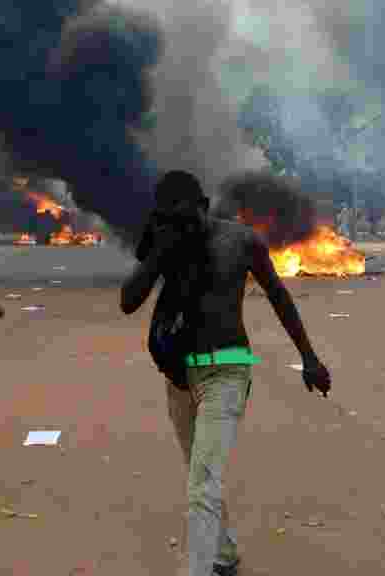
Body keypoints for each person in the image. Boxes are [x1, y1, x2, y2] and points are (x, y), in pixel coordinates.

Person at [120, 170, 332, 576]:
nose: (181, 224)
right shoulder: (165, 242)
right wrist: (161, 250)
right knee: (200, 474)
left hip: (228, 370)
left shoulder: (240, 241)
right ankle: (225, 554)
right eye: (170, 217)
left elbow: (278, 295)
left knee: (202, 483)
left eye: (186, 216)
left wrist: (309, 358)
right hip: (179, 375)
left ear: (204, 206)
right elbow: (128, 301)